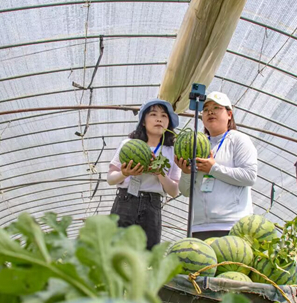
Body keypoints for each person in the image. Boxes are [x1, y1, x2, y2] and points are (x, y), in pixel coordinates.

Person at [176, 91, 258, 240]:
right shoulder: (196, 145)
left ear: (229, 114)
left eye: (216, 107)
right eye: (206, 109)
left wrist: (213, 169)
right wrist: (186, 172)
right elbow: (185, 191)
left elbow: (249, 176)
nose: (210, 112)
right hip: (199, 227)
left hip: (233, 226)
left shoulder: (239, 140)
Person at [107, 99, 181, 249]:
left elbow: (174, 191)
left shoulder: (172, 151)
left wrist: (160, 173)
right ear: (143, 122)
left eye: (164, 116)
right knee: (117, 252)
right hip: (126, 201)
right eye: (153, 114)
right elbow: (110, 179)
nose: (159, 119)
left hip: (152, 206)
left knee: (148, 255)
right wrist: (124, 173)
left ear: (168, 124)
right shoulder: (128, 144)